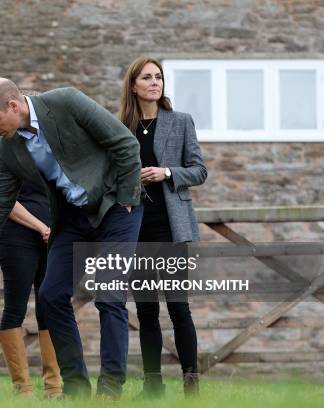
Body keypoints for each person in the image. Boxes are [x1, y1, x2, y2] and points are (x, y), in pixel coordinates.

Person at [0, 77, 143, 399]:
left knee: (109, 292)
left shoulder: (67, 102)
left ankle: (110, 390)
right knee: (50, 296)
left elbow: (125, 143)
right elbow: (0, 202)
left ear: (14, 106)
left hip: (116, 207)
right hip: (71, 219)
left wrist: (128, 198)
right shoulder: (8, 146)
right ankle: (75, 390)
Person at [119, 56, 207, 398]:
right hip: (135, 228)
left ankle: (191, 383)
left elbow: (199, 170)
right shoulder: (121, 126)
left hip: (171, 228)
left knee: (178, 306)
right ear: (134, 85)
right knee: (145, 309)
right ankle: (152, 385)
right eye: (147, 77)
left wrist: (166, 172)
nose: (155, 82)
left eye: (158, 77)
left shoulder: (181, 122)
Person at [0, 142, 62, 398]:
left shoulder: (51, 149)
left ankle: (53, 386)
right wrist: (41, 227)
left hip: (52, 238)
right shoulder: (1, 150)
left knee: (49, 306)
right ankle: (23, 388)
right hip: (17, 237)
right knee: (15, 308)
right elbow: (6, 201)